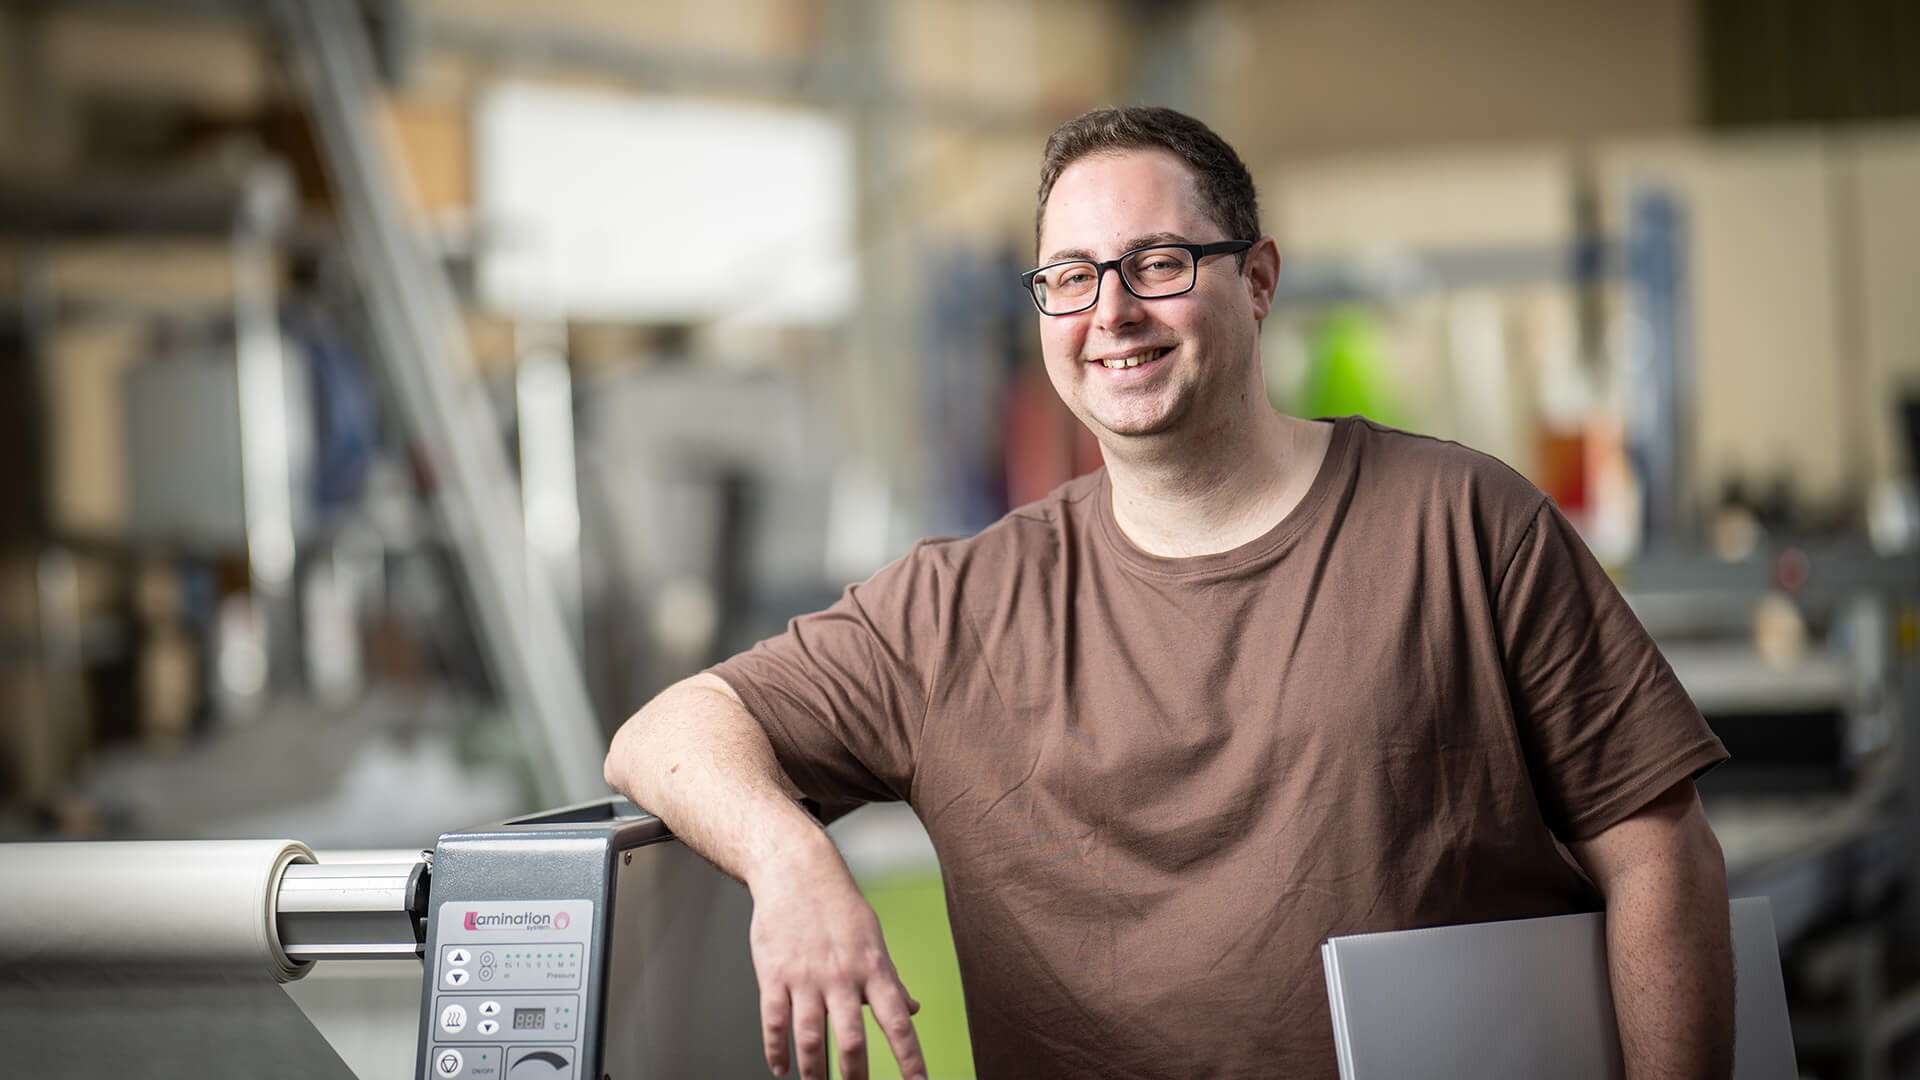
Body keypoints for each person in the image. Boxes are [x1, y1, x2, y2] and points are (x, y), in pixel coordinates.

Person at [603, 105, 1734, 1080]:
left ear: (1259, 279)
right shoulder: (957, 608)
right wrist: (793, 859)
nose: (1112, 313)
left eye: (1157, 263)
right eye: (1070, 278)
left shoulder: (1463, 523)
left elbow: (1657, 855)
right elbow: (670, 731)